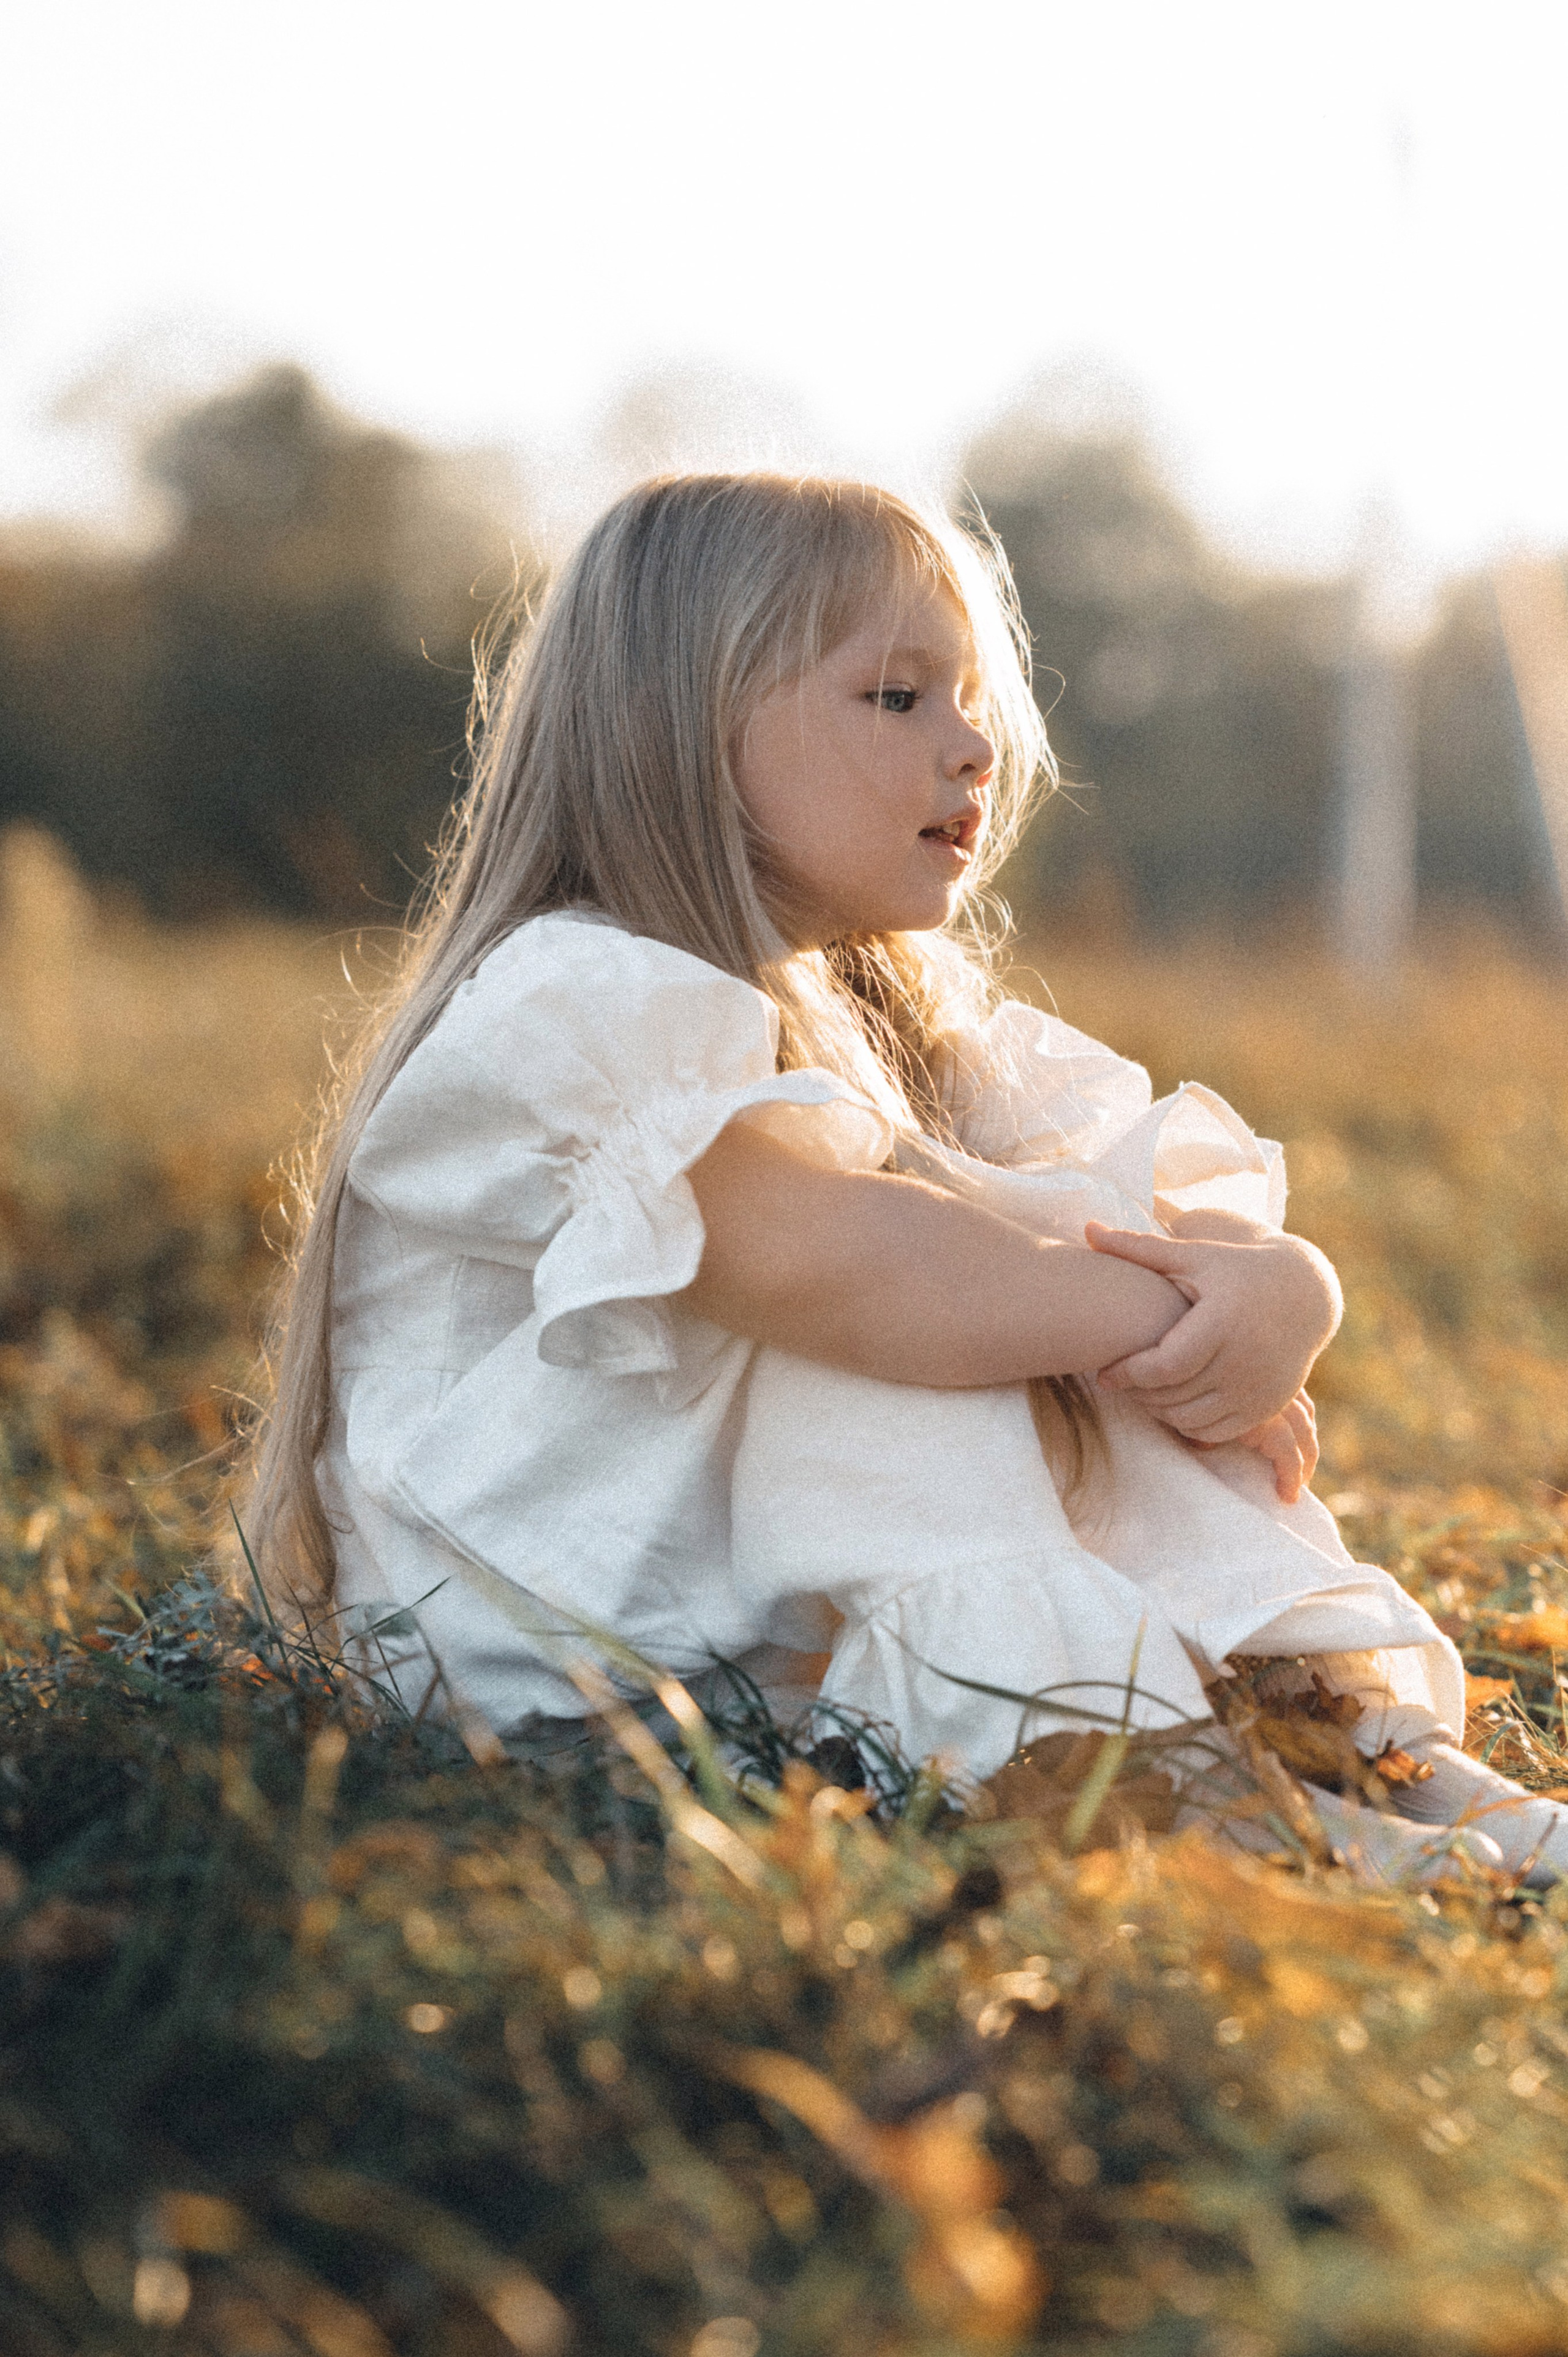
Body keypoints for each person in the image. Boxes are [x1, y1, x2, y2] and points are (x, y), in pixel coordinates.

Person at [247, 472, 1564, 1884]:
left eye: (971, 700)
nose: (970, 746)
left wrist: (1273, 1290)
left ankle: (1332, 1732)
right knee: (942, 1318)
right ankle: (1133, 1784)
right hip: (545, 1642)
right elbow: (846, 1274)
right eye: (897, 698)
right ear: (678, 732)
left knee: (1046, 1279)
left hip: (761, 1626)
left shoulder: (877, 1020)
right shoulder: (574, 999)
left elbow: (1107, 1225)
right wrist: (1161, 1320)